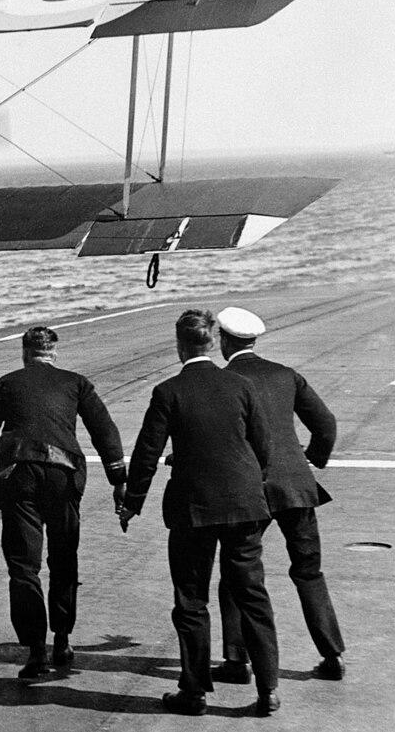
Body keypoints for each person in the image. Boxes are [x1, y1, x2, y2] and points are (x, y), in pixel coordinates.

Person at [119, 309, 281, 716]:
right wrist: (249, 487)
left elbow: (147, 454)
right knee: (253, 596)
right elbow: (262, 447)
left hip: (193, 510)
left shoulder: (168, 391)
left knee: (191, 601)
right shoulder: (240, 385)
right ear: (212, 342)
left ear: (178, 344)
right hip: (244, 505)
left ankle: (194, 692)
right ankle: (268, 690)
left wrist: (132, 503)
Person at [0, 326, 125, 678]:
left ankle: (36, 650)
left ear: (24, 352)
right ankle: (63, 640)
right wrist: (118, 480)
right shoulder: (76, 382)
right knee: (63, 558)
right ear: (54, 352)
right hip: (63, 474)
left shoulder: (6, 383)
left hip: (19, 475)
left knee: (24, 565)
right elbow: (105, 430)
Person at [212, 306, 345, 683]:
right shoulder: (286, 374)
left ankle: (237, 660)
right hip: (298, 488)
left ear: (223, 341)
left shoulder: (224, 381)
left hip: (250, 490)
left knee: (237, 575)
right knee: (308, 571)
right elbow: (326, 424)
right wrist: (311, 460)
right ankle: (332, 652)